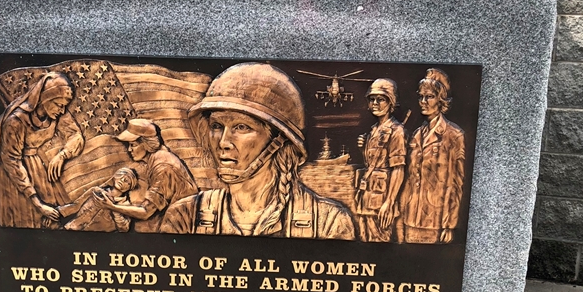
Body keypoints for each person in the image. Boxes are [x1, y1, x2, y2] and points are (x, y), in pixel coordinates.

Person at [161, 62, 355, 240]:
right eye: (217, 126)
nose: (223, 142)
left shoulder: (328, 222)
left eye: (241, 127)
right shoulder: (186, 217)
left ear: (279, 141)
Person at [0, 71, 84, 229]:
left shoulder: (57, 112)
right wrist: (38, 204)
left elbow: (76, 135)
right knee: (28, 220)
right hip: (14, 174)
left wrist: (63, 155)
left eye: (64, 106)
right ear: (46, 98)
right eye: (59, 105)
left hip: (36, 165)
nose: (62, 111)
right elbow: (12, 161)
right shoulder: (15, 121)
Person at [93, 118, 198, 233]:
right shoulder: (158, 158)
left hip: (185, 225)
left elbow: (145, 212)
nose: (129, 150)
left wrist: (111, 206)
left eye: (133, 145)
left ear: (147, 144)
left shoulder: (162, 166)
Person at [399, 68, 465, 244]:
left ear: (441, 100)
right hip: (410, 217)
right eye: (421, 97)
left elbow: (456, 183)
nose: (423, 102)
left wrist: (449, 224)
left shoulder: (453, 135)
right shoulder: (416, 134)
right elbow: (409, 178)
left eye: (429, 97)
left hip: (435, 220)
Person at [354, 78, 406, 242]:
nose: (375, 103)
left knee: (379, 244)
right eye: (372, 99)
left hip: (382, 202)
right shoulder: (373, 131)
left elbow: (398, 169)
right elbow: (371, 165)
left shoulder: (396, 131)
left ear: (391, 102)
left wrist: (389, 203)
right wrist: (363, 148)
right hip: (366, 200)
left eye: (380, 99)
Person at [63, 167, 138, 232]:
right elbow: (75, 205)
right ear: (115, 176)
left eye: (127, 181)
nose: (122, 180)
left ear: (130, 187)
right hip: (71, 229)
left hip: (99, 240)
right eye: (120, 175)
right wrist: (58, 212)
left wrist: (115, 210)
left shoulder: (126, 206)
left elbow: (124, 229)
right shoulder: (96, 191)